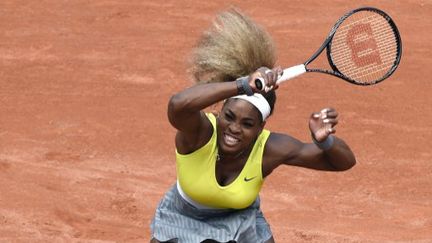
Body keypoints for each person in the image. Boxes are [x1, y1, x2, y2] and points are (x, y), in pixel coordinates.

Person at [150, 8, 356, 243]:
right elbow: (177, 105)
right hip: (182, 217)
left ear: (261, 127)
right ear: (219, 111)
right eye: (229, 116)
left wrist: (324, 141)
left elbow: (343, 162)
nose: (234, 128)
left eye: (247, 124)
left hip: (240, 221)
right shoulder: (200, 133)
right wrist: (241, 85)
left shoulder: (271, 148)